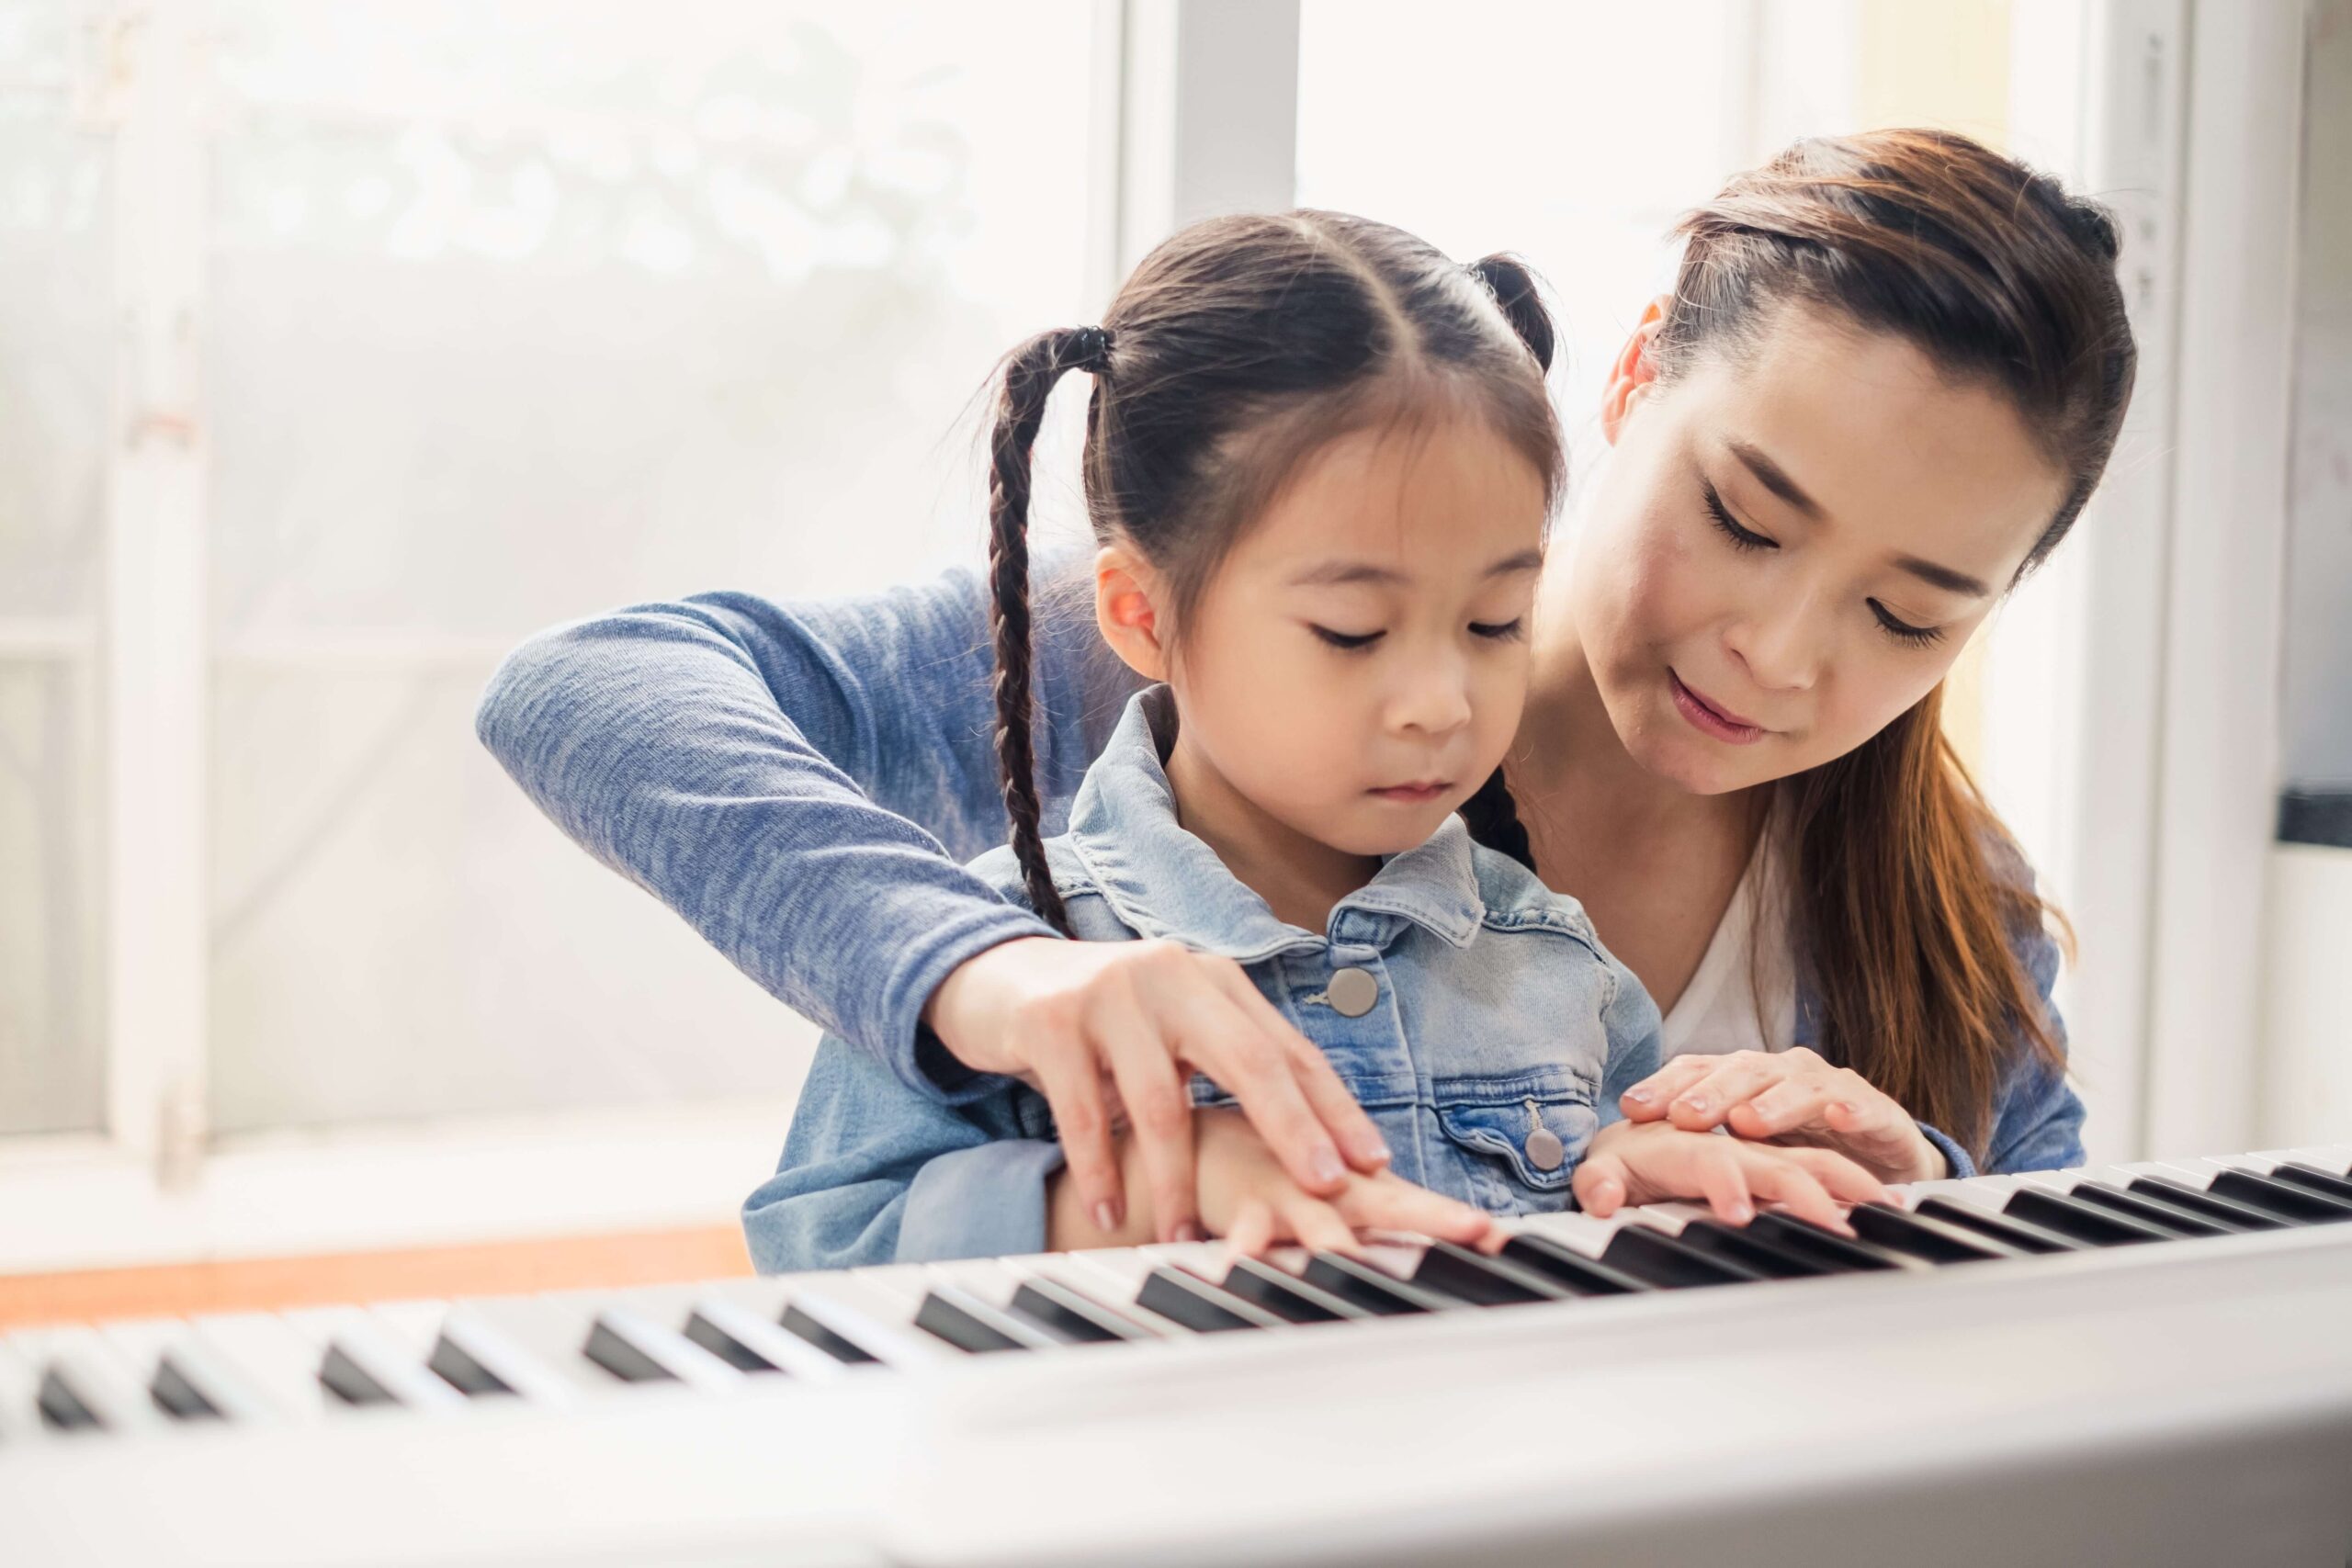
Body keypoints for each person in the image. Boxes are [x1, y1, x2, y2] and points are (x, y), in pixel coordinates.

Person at [478, 129, 2135, 1244]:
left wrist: (1920, 1196)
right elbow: (594, 689)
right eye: (1744, 517)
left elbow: (2062, 1366)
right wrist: (990, 977)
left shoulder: (1955, 914)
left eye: (1912, 616)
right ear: (1635, 373)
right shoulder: (1185, 666)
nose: (1780, 654)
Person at [734, 211, 1885, 1269]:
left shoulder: (1556, 962)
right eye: (1351, 631)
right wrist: (1138, 1186)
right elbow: (817, 1246)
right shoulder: (1008, 958)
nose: (1439, 701)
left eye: (1494, 622)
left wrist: (1644, 1185)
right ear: (1141, 613)